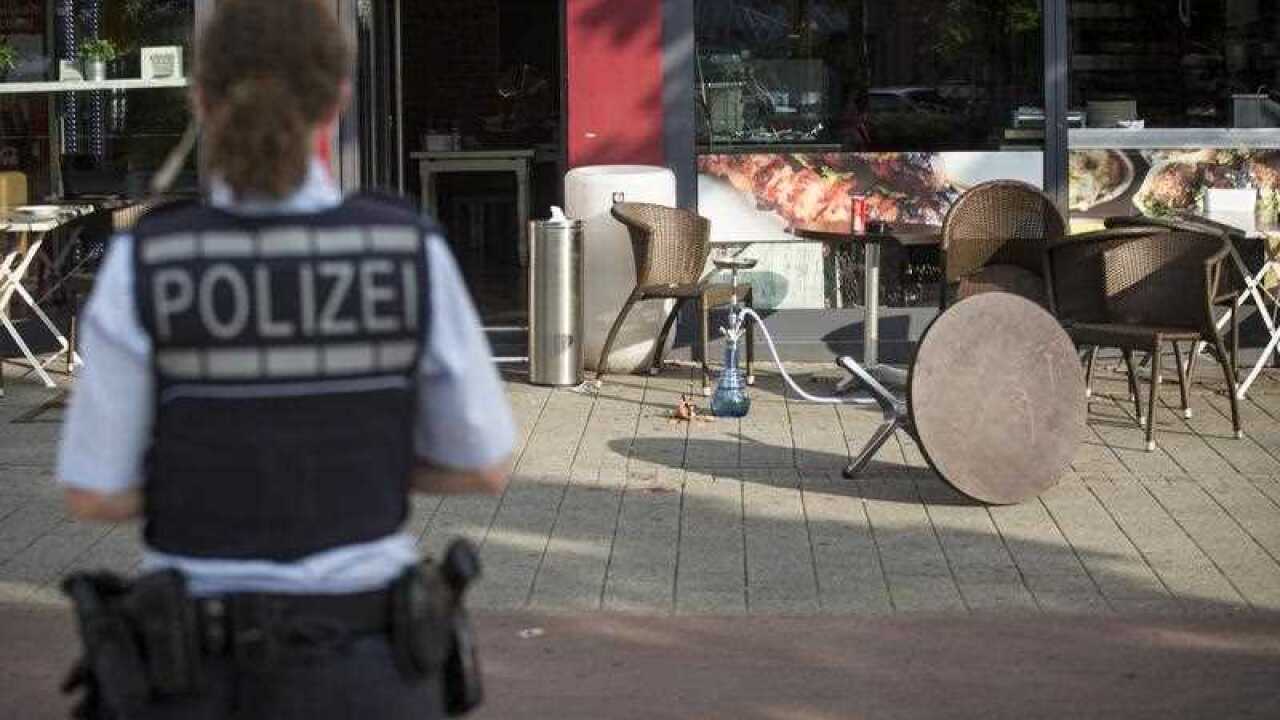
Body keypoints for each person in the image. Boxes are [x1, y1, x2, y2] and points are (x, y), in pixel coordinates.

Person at [55, 0, 515, 717]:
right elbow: (485, 463)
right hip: (373, 667)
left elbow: (92, 492)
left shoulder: (150, 257)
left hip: (192, 673)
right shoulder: (404, 248)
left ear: (200, 98)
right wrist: (350, 465)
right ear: (337, 98)